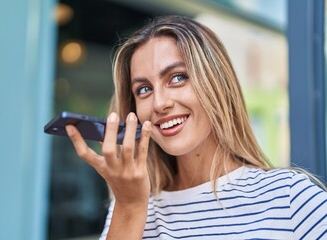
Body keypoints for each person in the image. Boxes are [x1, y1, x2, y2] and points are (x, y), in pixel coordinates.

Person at [66, 15, 327, 239]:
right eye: (144, 89)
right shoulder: (129, 206)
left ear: (216, 84)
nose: (160, 103)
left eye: (177, 78)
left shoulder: (289, 197)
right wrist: (130, 206)